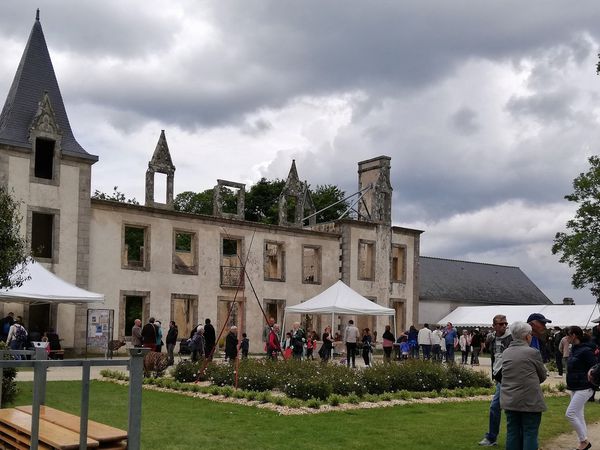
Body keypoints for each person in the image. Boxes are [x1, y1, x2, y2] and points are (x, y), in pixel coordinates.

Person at [500, 321, 547, 450]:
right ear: (527, 336)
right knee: (530, 432)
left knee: (512, 432)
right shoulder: (533, 352)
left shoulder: (506, 352)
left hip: (510, 398)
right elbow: (542, 375)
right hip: (530, 400)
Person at [479, 314, 512, 447]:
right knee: (498, 408)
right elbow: (494, 356)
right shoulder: (492, 337)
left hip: (508, 376)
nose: (504, 325)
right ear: (494, 325)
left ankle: (493, 437)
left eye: (505, 323)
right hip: (499, 376)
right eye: (501, 324)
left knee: (496, 407)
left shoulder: (511, 338)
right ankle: (493, 437)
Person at [565, 326, 595, 450]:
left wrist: (591, 379)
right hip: (575, 386)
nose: (566, 337)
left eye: (567, 335)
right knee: (578, 414)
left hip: (585, 387)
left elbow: (594, 367)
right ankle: (582, 443)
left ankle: (584, 441)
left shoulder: (586, 350)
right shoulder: (574, 349)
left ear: (574, 335)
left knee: (570, 414)